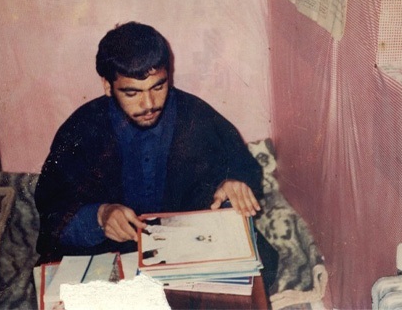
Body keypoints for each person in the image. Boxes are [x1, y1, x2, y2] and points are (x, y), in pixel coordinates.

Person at [34, 22, 278, 289]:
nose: (149, 104)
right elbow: (52, 211)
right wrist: (100, 216)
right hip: (108, 253)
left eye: (158, 87)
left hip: (187, 250)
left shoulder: (196, 116)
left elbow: (243, 169)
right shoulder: (82, 129)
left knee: (252, 276)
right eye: (132, 93)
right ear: (107, 85)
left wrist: (232, 185)